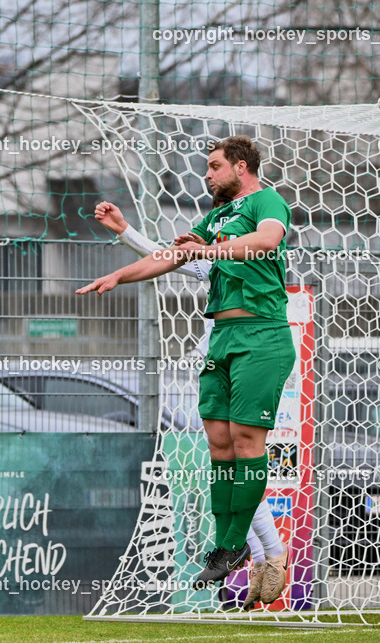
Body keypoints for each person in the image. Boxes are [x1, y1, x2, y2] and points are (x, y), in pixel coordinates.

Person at [78, 135, 294, 598]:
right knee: (218, 442)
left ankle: (240, 546)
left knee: (245, 441)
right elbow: (173, 257)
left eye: (214, 166)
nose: (208, 175)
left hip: (262, 335)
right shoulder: (214, 218)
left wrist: (205, 251)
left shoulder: (266, 200)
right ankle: (233, 550)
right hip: (222, 336)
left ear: (240, 166)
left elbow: (266, 240)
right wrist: (120, 272)